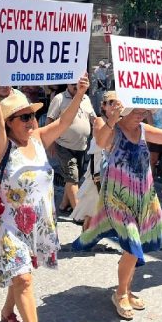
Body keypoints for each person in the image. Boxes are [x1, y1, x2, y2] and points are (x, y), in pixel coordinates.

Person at [0, 71, 90, 322]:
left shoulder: (39, 139)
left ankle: (8, 312)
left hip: (39, 227)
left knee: (22, 277)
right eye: (24, 117)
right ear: (10, 122)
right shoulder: (3, 147)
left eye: (32, 115)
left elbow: (65, 122)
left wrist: (79, 93)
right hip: (11, 228)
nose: (32, 120)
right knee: (23, 278)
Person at [74, 102, 162, 320]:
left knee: (134, 245)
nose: (142, 114)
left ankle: (127, 289)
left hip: (142, 196)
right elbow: (100, 141)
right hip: (117, 198)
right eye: (137, 111)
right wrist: (113, 118)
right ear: (126, 111)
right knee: (132, 243)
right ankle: (120, 294)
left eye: (144, 111)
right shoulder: (115, 129)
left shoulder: (143, 130)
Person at [70, 91, 118, 230]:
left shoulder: (121, 122)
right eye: (111, 102)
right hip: (98, 170)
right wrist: (114, 120)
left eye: (116, 102)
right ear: (103, 106)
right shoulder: (99, 121)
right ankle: (85, 238)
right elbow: (103, 142)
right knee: (92, 207)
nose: (114, 105)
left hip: (115, 169)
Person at [46, 83, 96, 213]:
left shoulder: (86, 99)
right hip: (64, 145)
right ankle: (78, 212)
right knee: (72, 178)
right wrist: (50, 142)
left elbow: (93, 119)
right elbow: (49, 120)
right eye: (73, 84)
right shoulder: (59, 98)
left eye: (78, 84)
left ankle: (63, 204)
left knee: (74, 178)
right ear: (68, 84)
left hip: (82, 146)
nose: (76, 86)